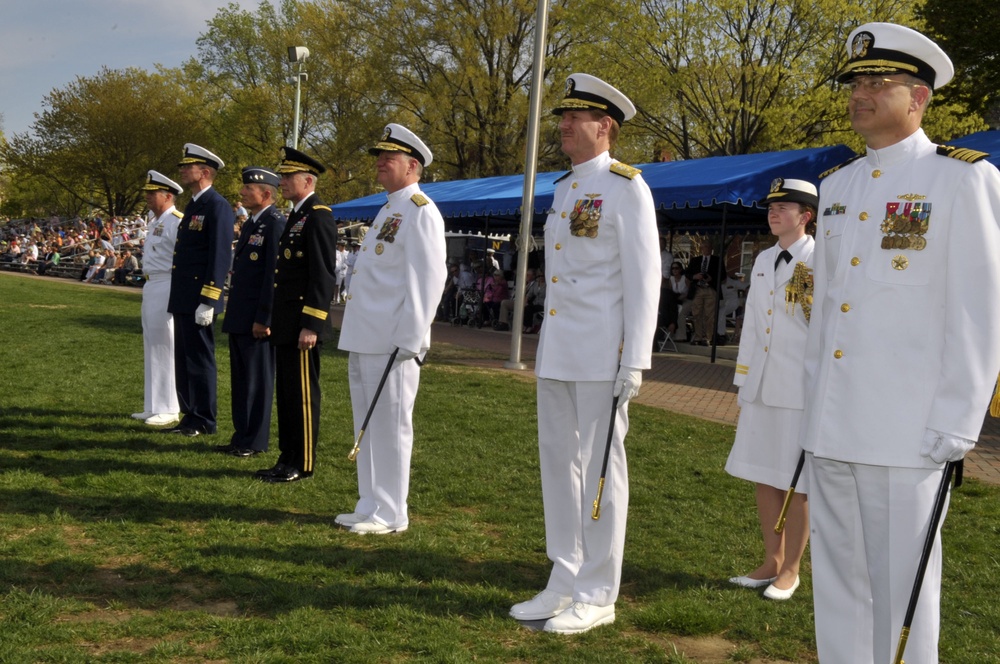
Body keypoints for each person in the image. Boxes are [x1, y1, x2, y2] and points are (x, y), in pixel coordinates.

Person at [802, 23, 1000, 664]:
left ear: (918, 97)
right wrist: (813, 408)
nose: (860, 93)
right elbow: (830, 311)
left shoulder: (962, 180)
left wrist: (957, 419)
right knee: (838, 587)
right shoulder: (837, 188)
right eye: (856, 82)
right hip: (834, 423)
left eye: (876, 82)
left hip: (906, 427)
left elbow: (980, 308)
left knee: (903, 590)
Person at [509, 74, 659, 634]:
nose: (564, 126)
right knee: (558, 466)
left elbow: (646, 279)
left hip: (603, 353)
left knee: (599, 472)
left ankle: (599, 590)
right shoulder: (565, 187)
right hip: (560, 350)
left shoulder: (626, 187)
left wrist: (634, 361)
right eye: (562, 118)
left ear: (606, 127)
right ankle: (564, 576)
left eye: (576, 118)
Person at [337, 123, 447, 533]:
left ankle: (392, 512)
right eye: (380, 157)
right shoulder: (389, 208)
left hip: (392, 339)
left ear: (413, 166)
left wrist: (410, 339)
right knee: (366, 423)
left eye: (390, 158)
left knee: (392, 427)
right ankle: (370, 502)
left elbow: (429, 279)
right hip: (366, 334)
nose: (381, 163)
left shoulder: (420, 210)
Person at [725, 178, 817, 601]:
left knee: (798, 484)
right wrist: (743, 380)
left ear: (807, 216)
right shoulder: (763, 258)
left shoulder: (821, 260)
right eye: (771, 207)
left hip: (799, 390)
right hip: (762, 385)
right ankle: (771, 560)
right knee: (763, 476)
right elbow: (751, 325)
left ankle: (792, 569)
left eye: (785, 207)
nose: (774, 212)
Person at [254, 147, 338, 483]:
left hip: (303, 324)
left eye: (288, 177)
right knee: (287, 394)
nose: (282, 182)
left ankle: (302, 462)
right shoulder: (297, 215)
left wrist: (311, 324)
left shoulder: (318, 215)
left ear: (307, 180)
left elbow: (322, 275)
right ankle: (286, 456)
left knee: (302, 396)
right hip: (286, 321)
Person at [163, 144, 235, 437]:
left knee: (199, 358)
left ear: (204, 172)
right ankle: (190, 414)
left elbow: (219, 256)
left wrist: (209, 298)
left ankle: (205, 418)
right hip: (183, 295)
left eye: (187, 166)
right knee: (183, 358)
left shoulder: (217, 206)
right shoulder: (194, 204)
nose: (181, 170)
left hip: (199, 297)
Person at [217, 167, 286, 458]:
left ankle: (255, 440)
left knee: (257, 382)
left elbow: (273, 276)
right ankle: (241, 434)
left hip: (256, 319)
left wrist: (265, 318)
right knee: (241, 380)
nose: (243, 192)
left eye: (249, 188)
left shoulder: (274, 224)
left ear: (266, 194)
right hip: (240, 315)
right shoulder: (252, 224)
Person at [132, 170, 183, 426]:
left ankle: (169, 407)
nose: (148, 198)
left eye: (153, 194)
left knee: (165, 344)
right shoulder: (154, 221)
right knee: (152, 343)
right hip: (151, 284)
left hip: (167, 284)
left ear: (168, 195)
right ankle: (152, 404)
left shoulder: (176, 221)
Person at [685, 239, 722, 346]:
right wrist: (694, 276)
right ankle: (698, 336)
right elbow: (687, 273)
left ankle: (707, 337)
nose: (706, 249)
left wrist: (711, 278)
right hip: (697, 289)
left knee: (709, 315)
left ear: (711, 249)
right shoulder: (695, 260)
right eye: (704, 247)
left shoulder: (717, 260)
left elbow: (723, 276)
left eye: (708, 247)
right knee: (697, 314)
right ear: (701, 248)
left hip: (710, 289)